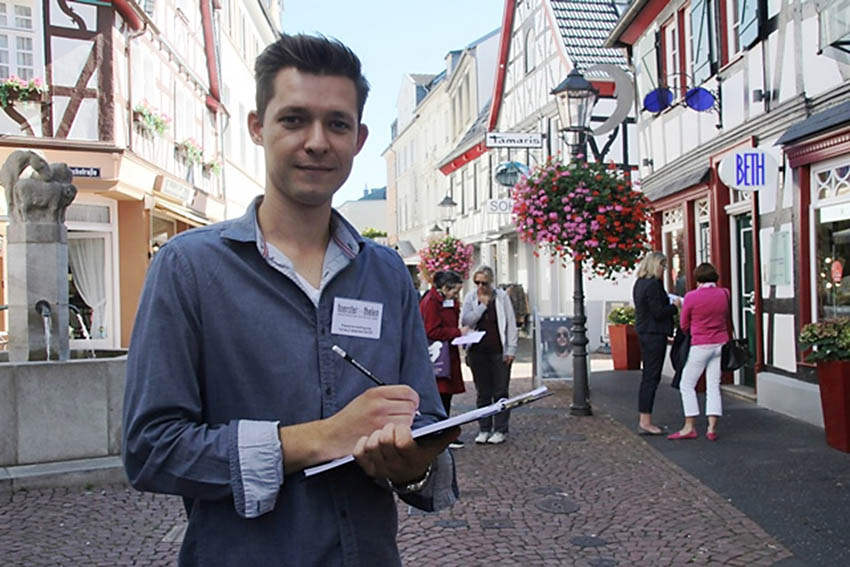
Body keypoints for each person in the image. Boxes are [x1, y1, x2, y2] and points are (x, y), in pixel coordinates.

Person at [122, 34, 459, 566]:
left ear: (359, 137)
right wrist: (321, 438)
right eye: (294, 119)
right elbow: (151, 449)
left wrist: (408, 463)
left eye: (337, 124)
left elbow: (424, 424)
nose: (318, 141)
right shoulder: (188, 268)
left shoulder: (387, 273)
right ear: (258, 127)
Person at [668, 262, 730, 441]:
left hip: (700, 344)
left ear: (697, 279)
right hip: (719, 343)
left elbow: (684, 324)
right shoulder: (725, 293)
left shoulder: (692, 297)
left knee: (686, 384)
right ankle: (712, 427)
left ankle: (689, 426)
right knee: (713, 385)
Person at [460, 265, 518, 445]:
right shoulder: (471, 297)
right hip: (477, 351)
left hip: (498, 350)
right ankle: (484, 428)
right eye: (476, 282)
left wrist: (511, 350)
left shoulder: (501, 297)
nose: (480, 287)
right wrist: (481, 307)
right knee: (482, 392)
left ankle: (500, 429)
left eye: (484, 283)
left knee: (500, 390)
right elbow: (466, 321)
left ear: (490, 282)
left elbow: (510, 323)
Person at [633, 251, 681, 435]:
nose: (664, 269)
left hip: (646, 332)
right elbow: (658, 312)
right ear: (656, 265)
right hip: (653, 334)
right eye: (663, 265)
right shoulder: (653, 284)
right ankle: (645, 421)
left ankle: (644, 419)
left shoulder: (640, 283)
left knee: (649, 376)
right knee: (651, 377)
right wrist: (674, 306)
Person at [419, 270, 468, 448]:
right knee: (440, 396)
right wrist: (457, 333)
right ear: (445, 288)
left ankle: (443, 431)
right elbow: (431, 330)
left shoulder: (444, 301)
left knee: (445, 396)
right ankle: (440, 433)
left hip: (447, 353)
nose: (456, 296)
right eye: (454, 291)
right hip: (439, 356)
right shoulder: (432, 302)